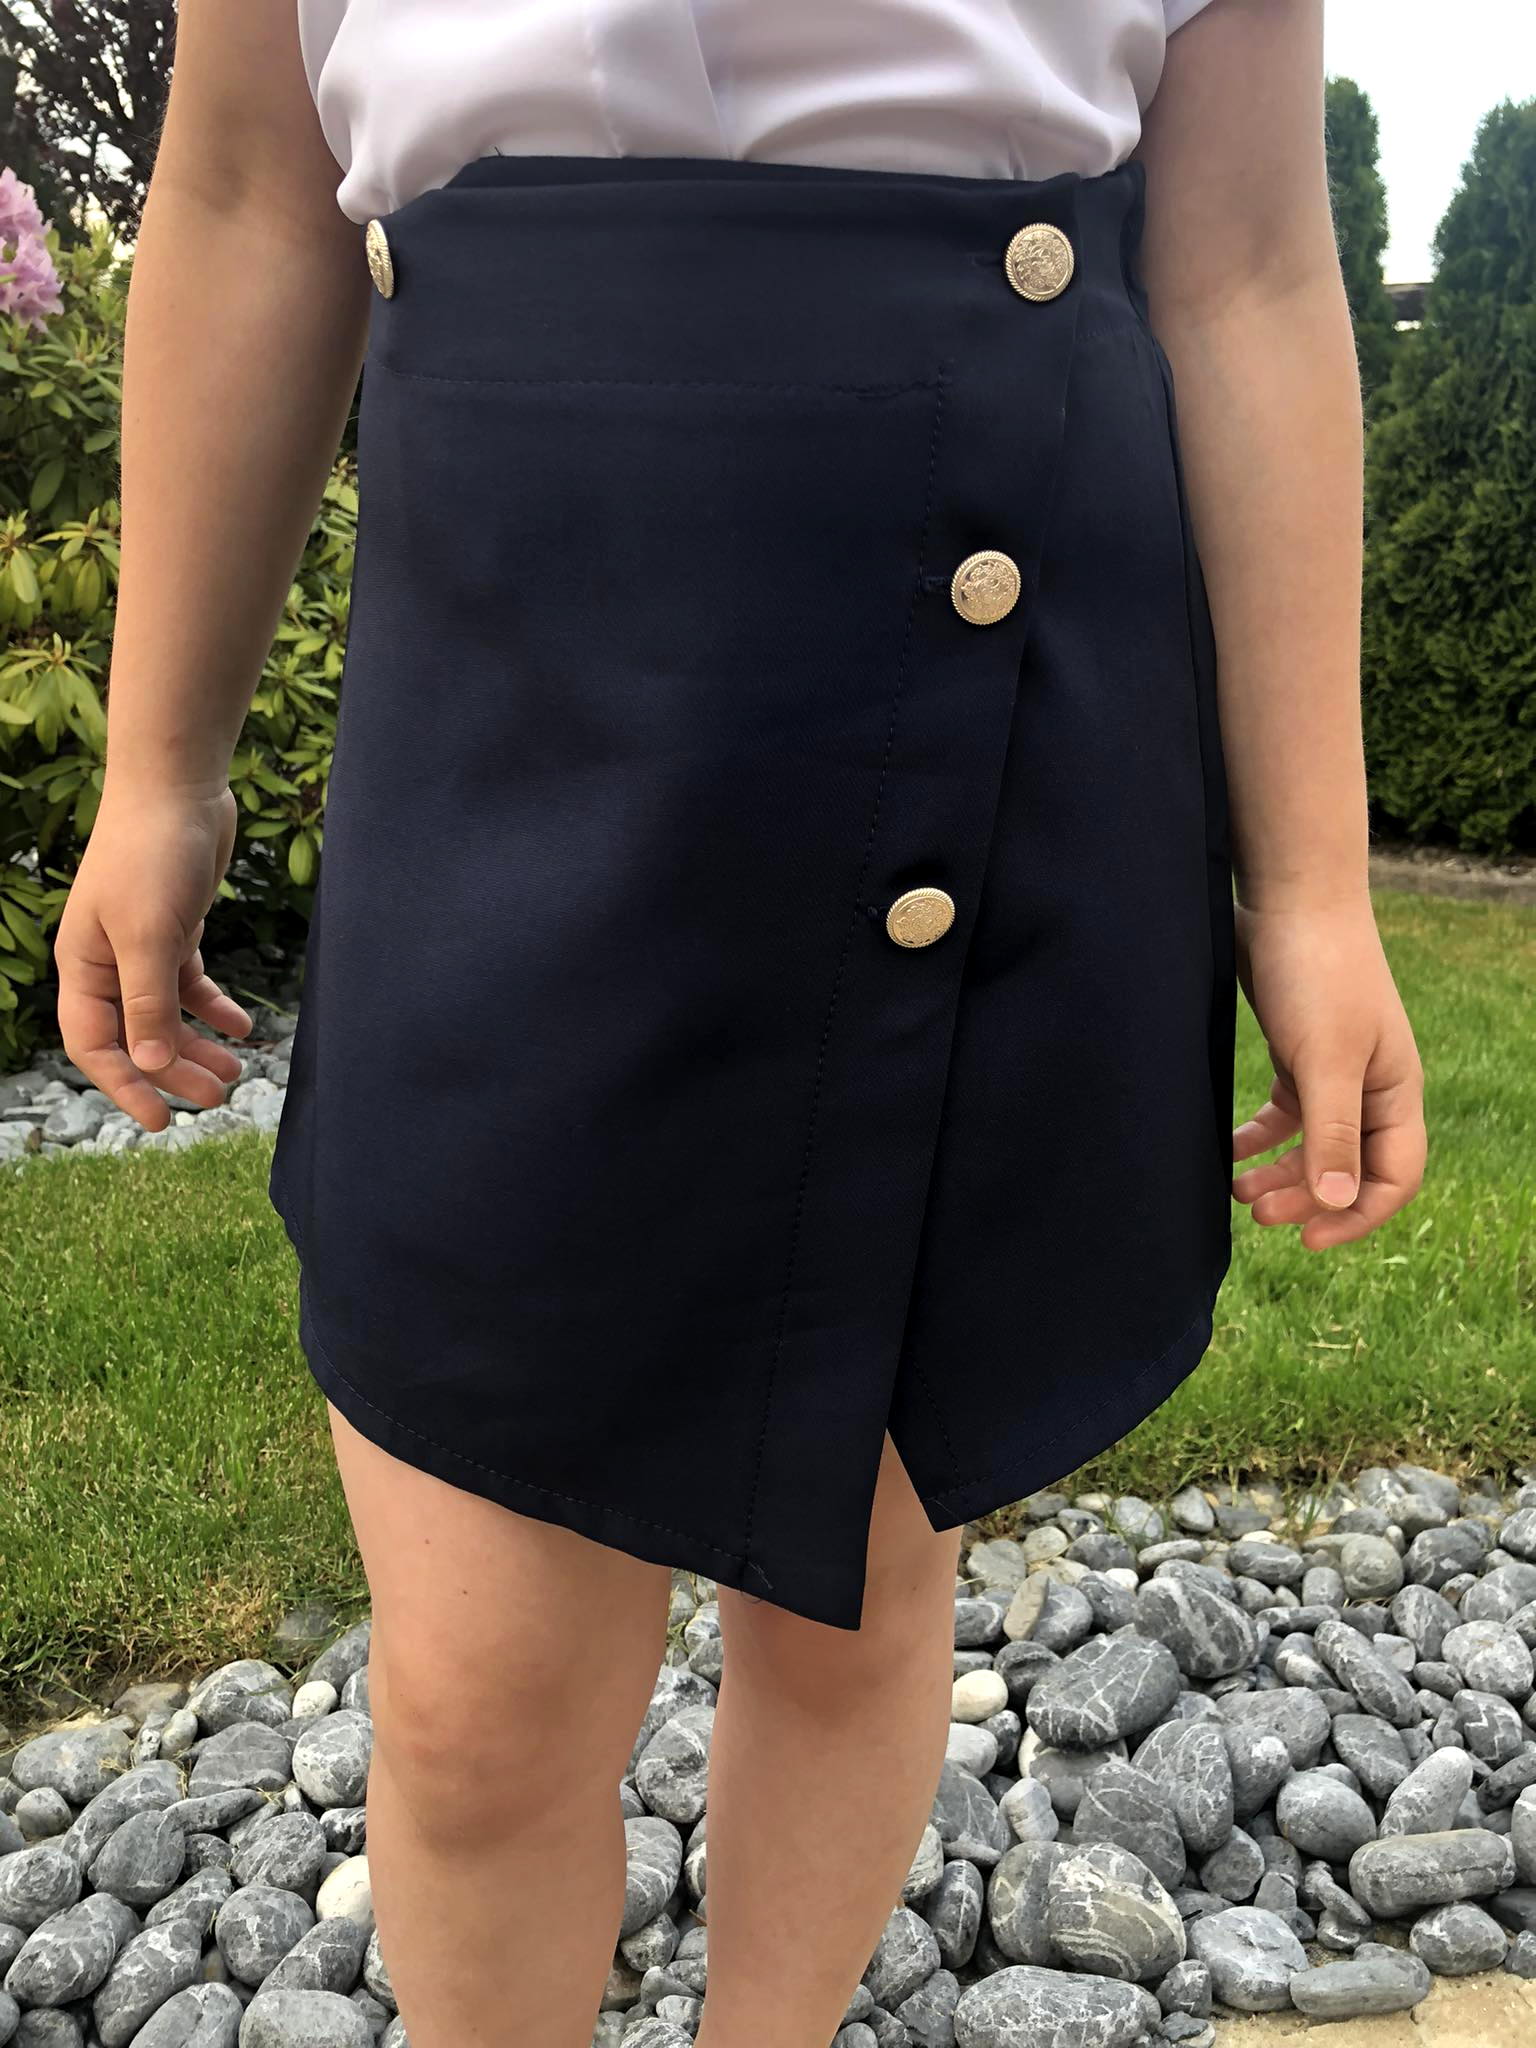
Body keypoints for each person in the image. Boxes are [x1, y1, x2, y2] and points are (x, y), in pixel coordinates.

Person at [53, 3, 1426, 2043]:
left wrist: (1311, 881)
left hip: (991, 648)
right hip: (509, 683)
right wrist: (158, 766)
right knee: (475, 1702)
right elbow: (252, 190)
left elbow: (1244, 268)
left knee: (854, 1593)